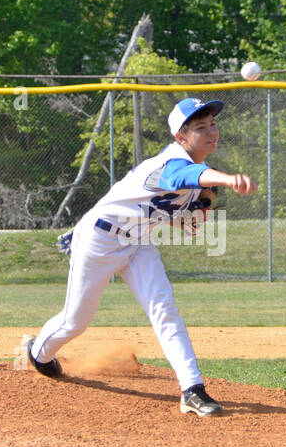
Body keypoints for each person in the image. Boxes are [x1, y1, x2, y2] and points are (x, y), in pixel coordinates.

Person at [25, 97, 255, 415]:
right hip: (99, 240)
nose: (210, 132)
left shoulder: (198, 175)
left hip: (139, 242)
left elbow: (187, 223)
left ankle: (192, 389)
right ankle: (38, 352)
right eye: (200, 127)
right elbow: (179, 178)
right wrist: (226, 179)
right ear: (181, 137)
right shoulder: (171, 164)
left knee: (165, 310)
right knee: (75, 321)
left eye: (212, 124)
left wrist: (201, 206)